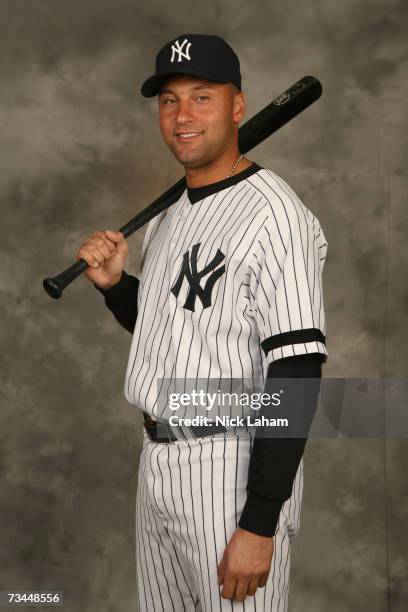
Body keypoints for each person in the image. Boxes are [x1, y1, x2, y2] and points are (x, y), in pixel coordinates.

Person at [76, 34, 328, 612]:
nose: (182, 116)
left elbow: (297, 373)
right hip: (158, 462)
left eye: (201, 97)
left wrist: (260, 522)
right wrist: (118, 288)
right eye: (169, 100)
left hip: (229, 470)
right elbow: (176, 333)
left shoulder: (276, 217)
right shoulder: (172, 211)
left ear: (237, 106)